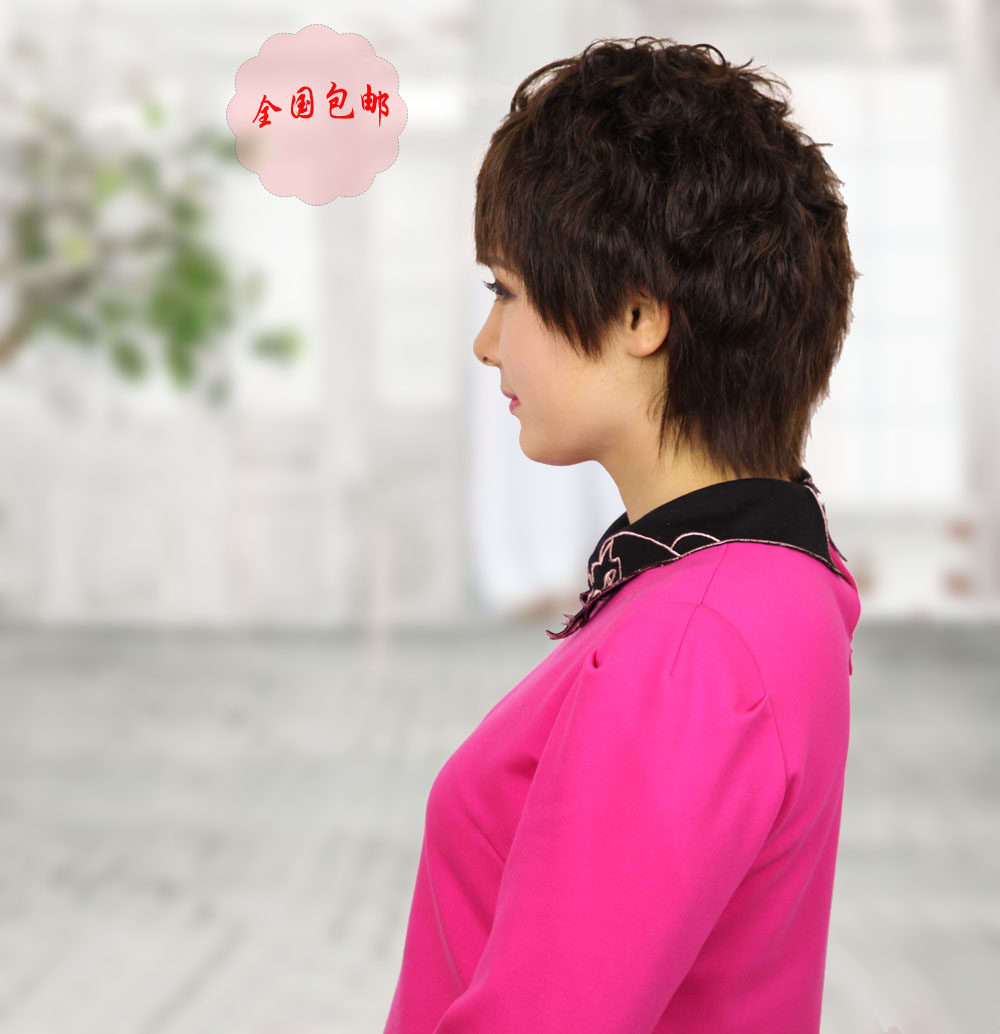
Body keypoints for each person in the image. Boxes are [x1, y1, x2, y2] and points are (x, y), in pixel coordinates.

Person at [383, 36, 860, 1034]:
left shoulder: (689, 644)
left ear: (639, 313)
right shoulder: (778, 580)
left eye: (506, 292)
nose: (486, 343)